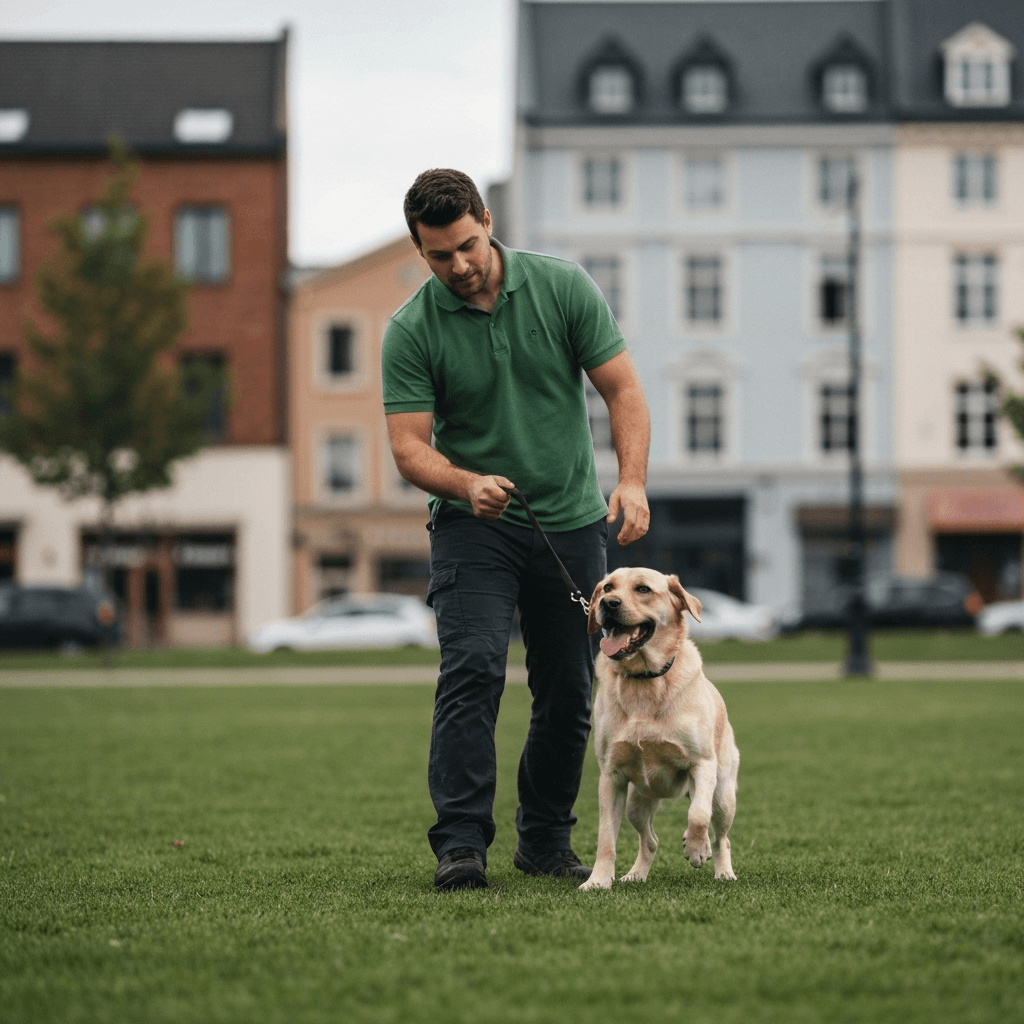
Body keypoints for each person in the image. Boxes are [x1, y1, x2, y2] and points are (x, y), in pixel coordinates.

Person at [382, 168, 650, 891]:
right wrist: (466, 484)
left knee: (568, 689)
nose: (460, 265)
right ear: (420, 250)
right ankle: (461, 845)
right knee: (472, 670)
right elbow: (408, 447)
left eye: (468, 245)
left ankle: (543, 841)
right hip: (474, 528)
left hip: (571, 523)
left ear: (488, 219)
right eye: (440, 255)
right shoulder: (411, 329)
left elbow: (621, 388)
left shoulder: (563, 288)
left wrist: (630, 481)